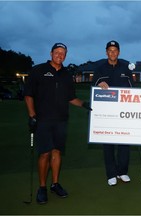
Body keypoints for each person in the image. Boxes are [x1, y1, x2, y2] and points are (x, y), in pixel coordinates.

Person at [24, 43, 92, 204]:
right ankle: (42, 187)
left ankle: (55, 184)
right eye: (57, 52)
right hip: (43, 120)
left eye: (63, 53)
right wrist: (32, 115)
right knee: (44, 153)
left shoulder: (67, 75)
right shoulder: (38, 70)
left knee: (56, 152)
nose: (60, 55)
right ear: (51, 53)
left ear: (65, 56)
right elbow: (28, 94)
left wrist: (84, 104)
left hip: (61, 120)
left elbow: (71, 97)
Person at [92, 40, 134, 186]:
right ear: (106, 52)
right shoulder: (99, 69)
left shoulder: (125, 68)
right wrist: (98, 85)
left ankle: (122, 172)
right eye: (110, 50)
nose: (112, 53)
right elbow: (94, 89)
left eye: (115, 50)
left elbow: (132, 91)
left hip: (123, 113)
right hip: (106, 114)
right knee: (108, 145)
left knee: (124, 143)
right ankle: (111, 174)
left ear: (119, 52)